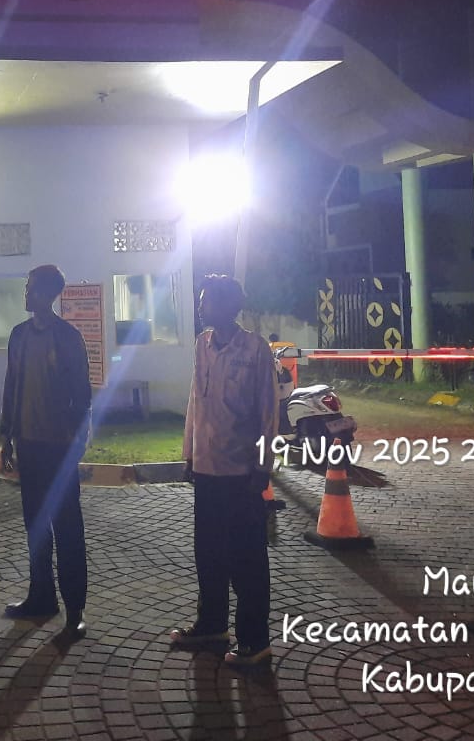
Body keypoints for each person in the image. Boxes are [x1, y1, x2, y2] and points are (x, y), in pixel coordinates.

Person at [169, 274, 279, 669]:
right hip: (207, 470)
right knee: (209, 553)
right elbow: (195, 402)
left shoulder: (255, 350)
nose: (201, 308)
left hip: (241, 473)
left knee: (247, 560)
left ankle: (255, 641)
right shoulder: (202, 345)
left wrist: (263, 467)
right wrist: (189, 454)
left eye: (207, 301)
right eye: (201, 301)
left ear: (228, 306)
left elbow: (269, 412)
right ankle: (212, 625)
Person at [0, 264, 92, 638]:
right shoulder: (18, 336)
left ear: (45, 293)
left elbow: (82, 394)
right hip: (29, 444)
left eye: (30, 287)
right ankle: (41, 596)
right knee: (35, 525)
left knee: (68, 527)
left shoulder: (68, 337)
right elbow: (11, 386)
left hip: (59, 447)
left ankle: (75, 609)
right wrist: (7, 436)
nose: (25, 293)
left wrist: (77, 440)